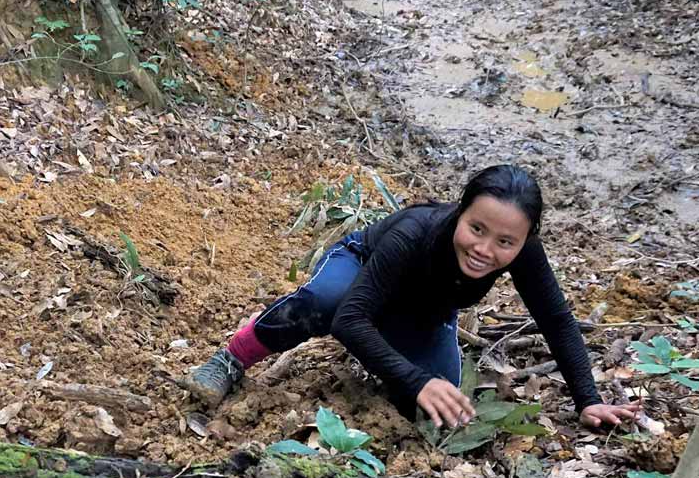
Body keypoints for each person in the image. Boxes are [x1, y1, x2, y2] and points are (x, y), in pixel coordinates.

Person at [184, 164, 639, 430]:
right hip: (363, 270)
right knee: (326, 300)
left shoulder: (524, 251)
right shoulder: (414, 232)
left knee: (433, 415)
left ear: (524, 240)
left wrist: (588, 399)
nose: (484, 249)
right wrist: (414, 378)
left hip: (426, 308)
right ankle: (232, 357)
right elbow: (348, 319)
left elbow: (557, 321)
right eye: (476, 229)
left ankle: (393, 350)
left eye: (505, 242)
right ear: (460, 213)